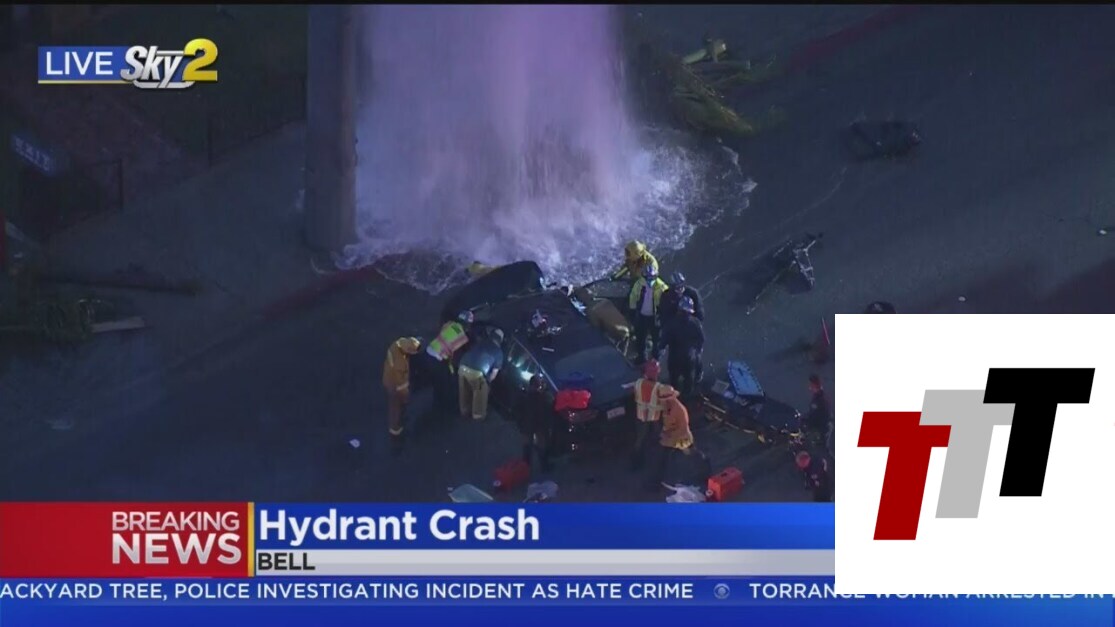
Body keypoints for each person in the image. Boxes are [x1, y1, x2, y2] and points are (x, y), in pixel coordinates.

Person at [647, 384, 696, 490]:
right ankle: (655, 482)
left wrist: (667, 435)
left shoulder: (680, 410)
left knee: (691, 457)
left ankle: (699, 472)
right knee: (661, 459)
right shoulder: (664, 407)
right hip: (668, 439)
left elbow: (682, 429)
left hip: (681, 439)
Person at [659, 296, 705, 399]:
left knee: (675, 383)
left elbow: (663, 341)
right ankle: (685, 399)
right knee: (687, 383)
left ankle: (676, 399)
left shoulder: (672, 323)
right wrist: (697, 352)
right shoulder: (695, 322)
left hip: (677, 359)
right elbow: (701, 340)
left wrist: (660, 350)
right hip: (687, 359)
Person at [457, 326, 505, 421]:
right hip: (477, 373)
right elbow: (493, 375)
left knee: (464, 391)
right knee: (481, 393)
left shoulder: (480, 342)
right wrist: (487, 383)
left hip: (462, 367)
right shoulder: (498, 352)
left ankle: (464, 411)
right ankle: (478, 416)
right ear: (500, 341)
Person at [382, 337, 421, 452]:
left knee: (397, 407)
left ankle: (398, 425)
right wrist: (406, 393)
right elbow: (401, 382)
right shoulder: (400, 363)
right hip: (395, 387)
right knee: (396, 409)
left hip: (389, 380)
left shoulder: (396, 345)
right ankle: (396, 432)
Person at [627, 264, 669, 364]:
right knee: (640, 337)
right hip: (642, 316)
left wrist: (663, 315)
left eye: (652, 277)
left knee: (656, 339)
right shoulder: (639, 284)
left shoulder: (662, 287)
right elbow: (633, 297)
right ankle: (642, 358)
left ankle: (655, 359)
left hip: (655, 317)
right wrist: (632, 310)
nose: (650, 280)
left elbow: (667, 301)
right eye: (647, 277)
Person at [631, 359, 666, 470]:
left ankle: (636, 463)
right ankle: (659, 462)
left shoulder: (638, 383)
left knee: (640, 440)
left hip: (641, 415)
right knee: (659, 437)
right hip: (654, 416)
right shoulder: (658, 387)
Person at [516, 375, 554, 472]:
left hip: (526, 425)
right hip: (539, 425)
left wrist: (520, 424)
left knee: (527, 446)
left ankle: (525, 467)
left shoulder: (524, 396)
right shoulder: (544, 397)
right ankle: (544, 467)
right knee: (541, 445)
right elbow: (549, 408)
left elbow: (517, 411)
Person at [805, 374, 833, 454]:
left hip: (822, 428)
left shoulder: (821, 399)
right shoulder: (817, 397)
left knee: (823, 450)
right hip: (820, 427)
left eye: (811, 385)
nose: (810, 387)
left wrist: (812, 424)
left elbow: (822, 415)